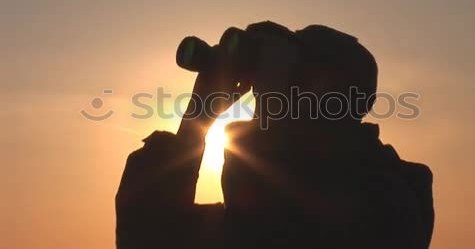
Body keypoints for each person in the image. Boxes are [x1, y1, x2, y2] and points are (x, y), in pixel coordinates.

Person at [115, 21, 434, 249]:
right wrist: (197, 118)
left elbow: (289, 220)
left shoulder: (387, 195)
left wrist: (277, 108)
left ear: (325, 86)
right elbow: (148, 235)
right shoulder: (239, 213)